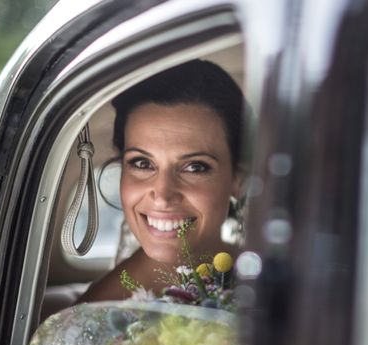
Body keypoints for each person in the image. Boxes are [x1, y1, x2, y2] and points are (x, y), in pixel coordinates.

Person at [77, 59, 246, 303]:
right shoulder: (93, 317)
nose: (163, 195)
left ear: (238, 177)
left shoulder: (283, 291)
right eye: (142, 163)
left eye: (194, 167)